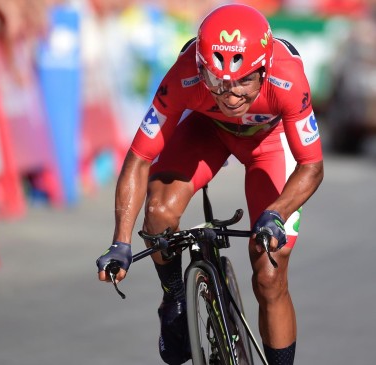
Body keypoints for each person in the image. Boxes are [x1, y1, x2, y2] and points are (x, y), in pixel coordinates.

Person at [95, 4, 324, 365]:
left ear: (264, 69)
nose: (230, 94)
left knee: (269, 269)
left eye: (243, 81)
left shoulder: (288, 78)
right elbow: (139, 157)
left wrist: (276, 213)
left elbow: (312, 166)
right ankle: (174, 298)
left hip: (269, 142)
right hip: (209, 131)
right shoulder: (184, 74)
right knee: (158, 213)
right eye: (216, 81)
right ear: (201, 67)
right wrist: (120, 242)